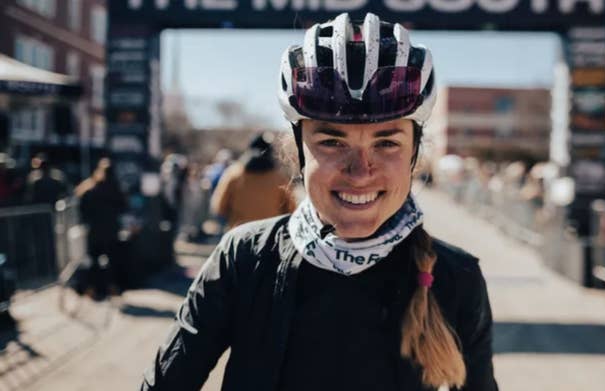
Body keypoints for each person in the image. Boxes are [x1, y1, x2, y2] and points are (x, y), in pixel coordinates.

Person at [141, 13, 497, 391]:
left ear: (413, 157)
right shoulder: (244, 259)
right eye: (331, 142)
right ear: (298, 152)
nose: (360, 171)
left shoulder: (456, 279)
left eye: (387, 143)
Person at [210, 132, 296, 229]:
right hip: (270, 235)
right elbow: (291, 209)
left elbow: (219, 206)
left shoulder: (234, 174)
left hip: (240, 233)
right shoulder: (279, 178)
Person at [75, 158, 127, 298]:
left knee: (94, 260)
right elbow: (123, 206)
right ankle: (112, 287)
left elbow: (83, 207)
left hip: (95, 229)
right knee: (112, 260)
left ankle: (93, 289)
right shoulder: (116, 188)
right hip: (111, 229)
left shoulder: (91, 188)